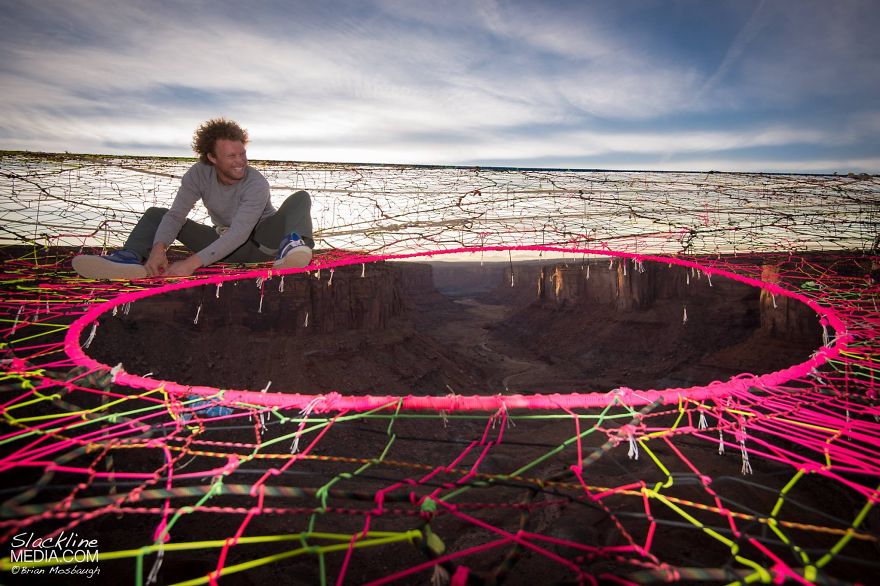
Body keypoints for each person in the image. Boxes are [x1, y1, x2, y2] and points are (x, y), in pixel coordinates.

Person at [72, 118, 314, 280]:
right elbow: (176, 215)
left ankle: (293, 248)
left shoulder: (256, 183)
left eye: (242, 153)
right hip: (226, 247)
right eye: (231, 156)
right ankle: (129, 259)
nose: (240, 161)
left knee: (300, 198)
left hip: (265, 243)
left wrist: (190, 263)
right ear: (212, 158)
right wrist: (158, 249)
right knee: (158, 214)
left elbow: (240, 234)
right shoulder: (198, 175)